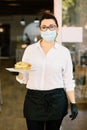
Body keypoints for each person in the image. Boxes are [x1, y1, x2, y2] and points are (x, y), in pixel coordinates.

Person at [16, 13, 78, 130]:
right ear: (40, 30)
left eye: (51, 26)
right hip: (34, 99)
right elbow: (23, 78)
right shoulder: (30, 50)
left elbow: (68, 80)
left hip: (57, 100)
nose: (48, 30)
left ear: (57, 29)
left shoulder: (64, 52)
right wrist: (19, 73)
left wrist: (73, 103)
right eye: (44, 27)